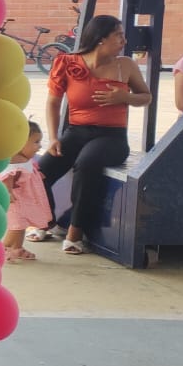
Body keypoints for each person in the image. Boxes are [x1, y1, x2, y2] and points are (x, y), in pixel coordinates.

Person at [37, 15, 151, 255]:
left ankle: (76, 231)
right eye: (118, 35)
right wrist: (54, 138)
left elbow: (146, 97)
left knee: (86, 164)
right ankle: (46, 221)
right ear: (101, 39)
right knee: (40, 172)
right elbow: (53, 103)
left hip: (112, 137)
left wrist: (125, 97)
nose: (124, 40)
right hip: (76, 132)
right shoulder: (68, 63)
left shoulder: (126, 65)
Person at [0, 121, 53, 261]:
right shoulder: (13, 161)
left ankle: (17, 248)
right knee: (16, 226)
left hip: (25, 200)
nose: (40, 146)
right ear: (20, 143)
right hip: (16, 201)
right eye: (36, 142)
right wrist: (8, 192)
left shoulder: (24, 159)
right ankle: (4, 249)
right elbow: (7, 177)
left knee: (22, 225)